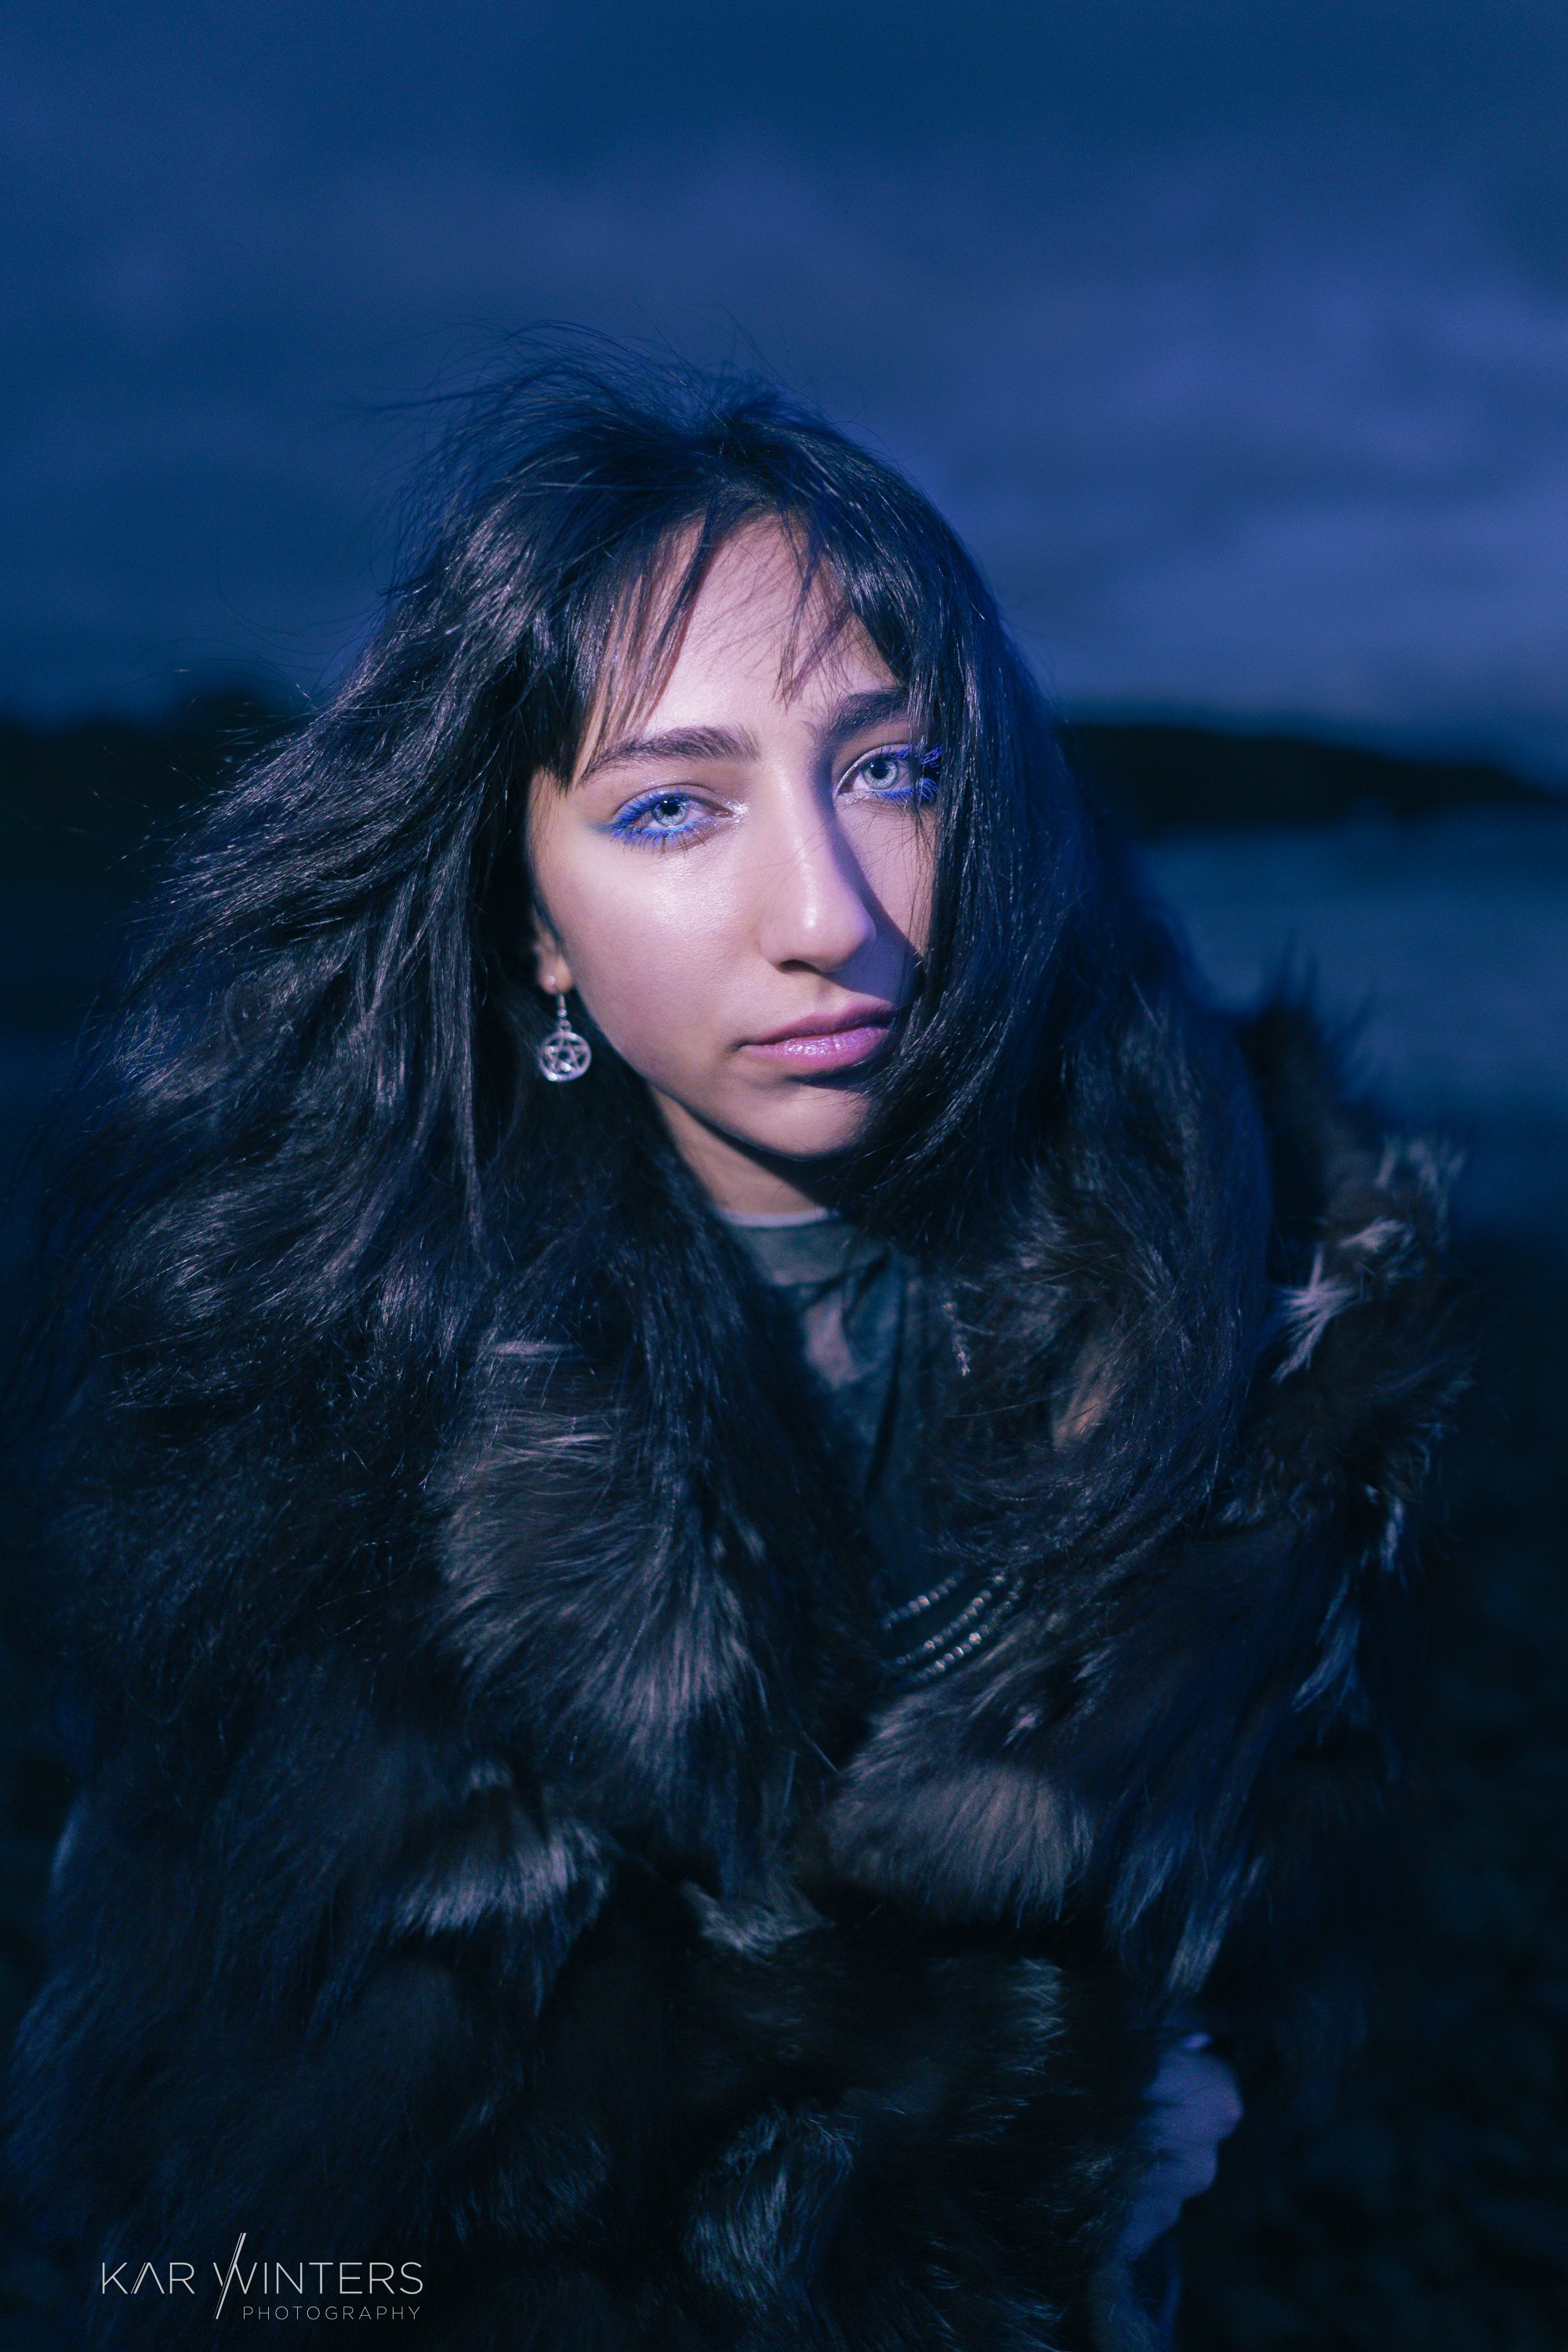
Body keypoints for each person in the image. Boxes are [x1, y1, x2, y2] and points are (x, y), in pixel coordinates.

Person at [4, 347, 1458, 2348]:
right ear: (530, 915)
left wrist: (1189, 2102)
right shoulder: (309, 1379)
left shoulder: (1264, 1302)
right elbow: (229, 2161)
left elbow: (1283, 1883)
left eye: (893, 769)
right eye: (675, 807)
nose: (831, 913)